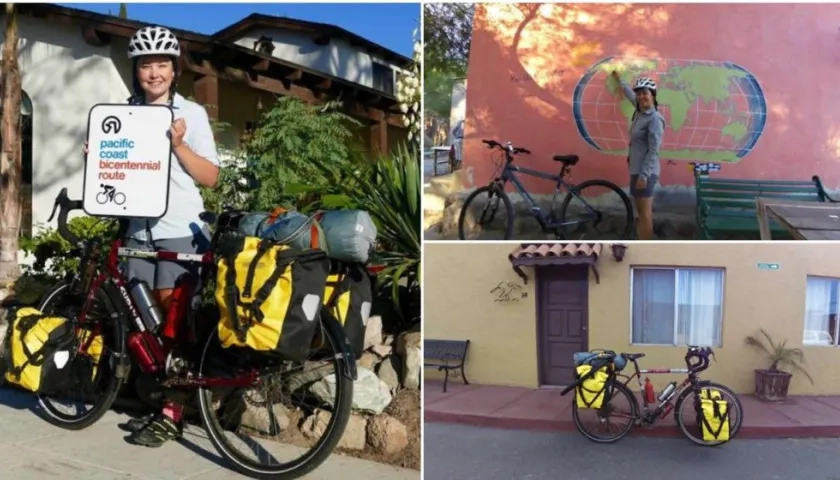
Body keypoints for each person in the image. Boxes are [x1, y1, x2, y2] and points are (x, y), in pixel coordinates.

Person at [85, 25, 221, 447]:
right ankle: (159, 397)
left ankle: (172, 412)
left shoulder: (191, 114)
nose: (155, 73)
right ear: (137, 71)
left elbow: (211, 177)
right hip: (137, 232)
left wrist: (179, 145)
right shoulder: (126, 115)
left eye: (162, 64)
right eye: (147, 66)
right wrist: (98, 158)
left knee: (176, 323)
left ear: (175, 70)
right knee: (143, 322)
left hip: (179, 230)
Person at [610, 71, 665, 240]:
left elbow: (654, 150)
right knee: (641, 212)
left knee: (645, 214)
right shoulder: (640, 111)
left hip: (645, 173)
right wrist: (620, 79)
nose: (641, 97)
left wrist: (644, 175)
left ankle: (646, 247)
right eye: (639, 94)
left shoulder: (654, 119)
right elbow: (629, 94)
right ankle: (642, 240)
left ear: (653, 96)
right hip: (636, 170)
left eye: (645, 93)